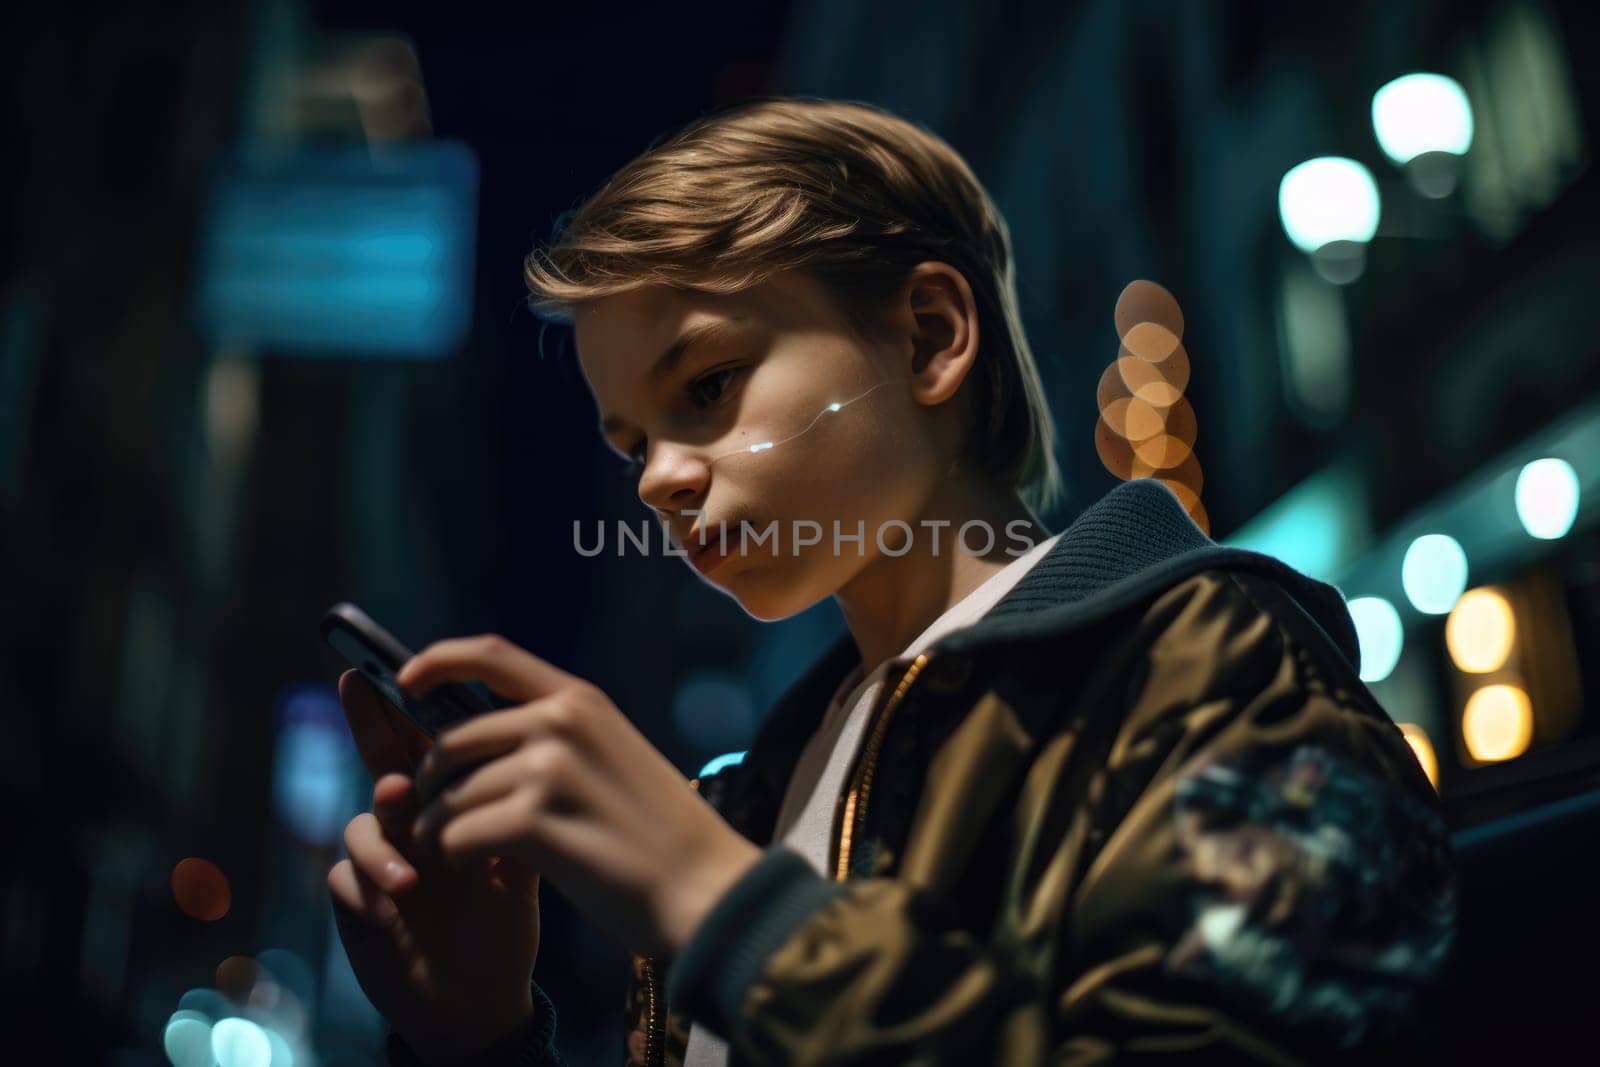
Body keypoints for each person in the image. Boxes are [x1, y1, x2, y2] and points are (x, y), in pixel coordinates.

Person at [326, 97, 1458, 1066]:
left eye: (709, 385)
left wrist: (727, 909)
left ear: (928, 335)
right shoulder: (750, 790)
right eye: (630, 444)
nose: (659, 479)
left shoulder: (1215, 670)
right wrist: (481, 1033)